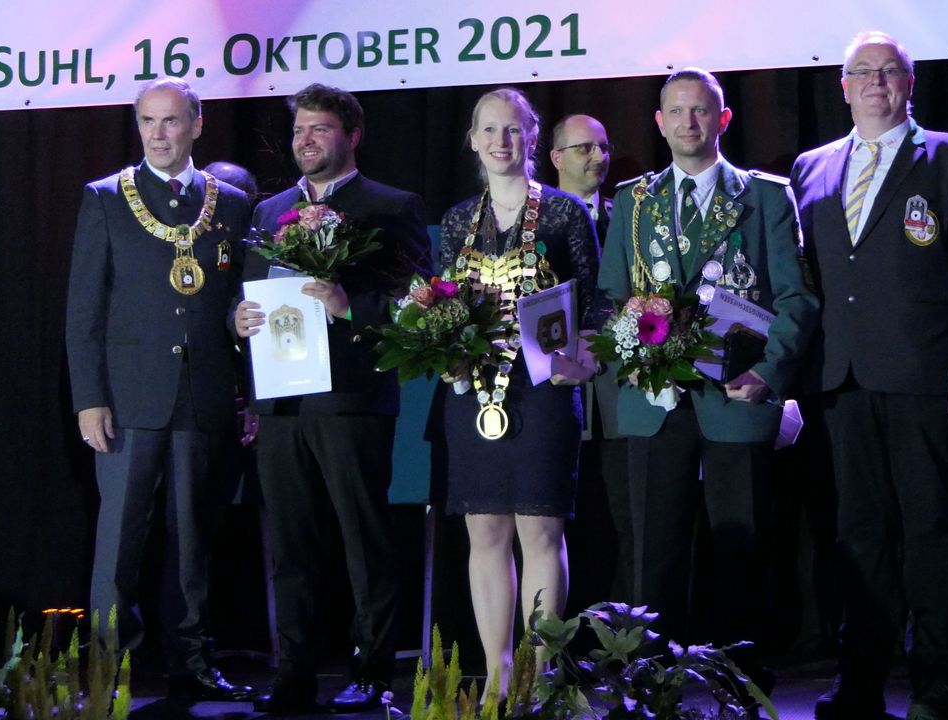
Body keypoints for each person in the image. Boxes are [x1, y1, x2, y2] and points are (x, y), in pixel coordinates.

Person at [789, 31, 948, 720]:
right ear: (842, 86)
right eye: (863, 72)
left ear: (909, 84)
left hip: (924, 377)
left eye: (891, 71)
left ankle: (936, 684)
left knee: (933, 535)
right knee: (858, 539)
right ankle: (860, 684)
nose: (877, 81)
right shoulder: (811, 168)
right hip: (841, 382)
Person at [595, 68, 818, 684]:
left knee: (739, 542)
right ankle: (648, 675)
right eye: (677, 111)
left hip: (737, 391)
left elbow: (796, 299)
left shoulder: (765, 196)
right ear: (659, 122)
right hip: (654, 397)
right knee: (653, 545)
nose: (689, 122)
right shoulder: (634, 202)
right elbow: (610, 295)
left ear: (723, 119)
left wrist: (770, 374)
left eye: (703, 111)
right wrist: (628, 347)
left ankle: (738, 673)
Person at [233, 83, 432, 714]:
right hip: (283, 402)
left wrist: (354, 306)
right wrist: (236, 321)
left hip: (352, 396)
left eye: (319, 129)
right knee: (289, 544)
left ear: (352, 135)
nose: (305, 141)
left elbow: (418, 305)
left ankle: (373, 671)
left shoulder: (389, 205)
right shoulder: (269, 212)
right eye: (298, 131)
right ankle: (292, 671)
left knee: (363, 539)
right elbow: (249, 298)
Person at [65, 77, 255, 702]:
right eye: (148, 121)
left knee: (194, 539)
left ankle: (192, 662)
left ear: (196, 126)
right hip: (128, 398)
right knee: (119, 540)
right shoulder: (105, 199)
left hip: (202, 395)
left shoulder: (229, 202)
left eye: (171, 121)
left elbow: (232, 304)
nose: (159, 133)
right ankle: (108, 664)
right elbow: (83, 313)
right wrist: (89, 398)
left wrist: (239, 338)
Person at [436, 88, 599, 695]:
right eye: (489, 130)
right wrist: (442, 346)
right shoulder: (458, 220)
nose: (501, 141)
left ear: (532, 139)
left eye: (513, 130)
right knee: (484, 533)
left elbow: (598, 301)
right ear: (474, 140)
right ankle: (499, 674)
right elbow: (441, 301)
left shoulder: (562, 214)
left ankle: (539, 671)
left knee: (540, 533)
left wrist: (583, 357)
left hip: (544, 392)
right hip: (476, 394)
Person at [549, 113, 632, 603]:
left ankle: (625, 646)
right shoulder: (538, 218)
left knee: (623, 521)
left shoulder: (628, 213)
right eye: (584, 148)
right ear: (556, 157)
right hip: (560, 397)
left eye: (603, 147)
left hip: (619, 401)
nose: (598, 157)